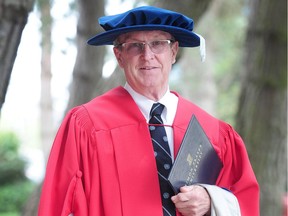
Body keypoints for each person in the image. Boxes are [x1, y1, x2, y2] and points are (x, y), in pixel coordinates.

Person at [38, 6, 259, 216]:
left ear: (173, 52)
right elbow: (59, 205)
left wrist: (211, 201)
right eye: (135, 46)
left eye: (158, 44)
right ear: (119, 56)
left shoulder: (213, 132)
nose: (147, 55)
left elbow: (245, 201)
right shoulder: (87, 125)